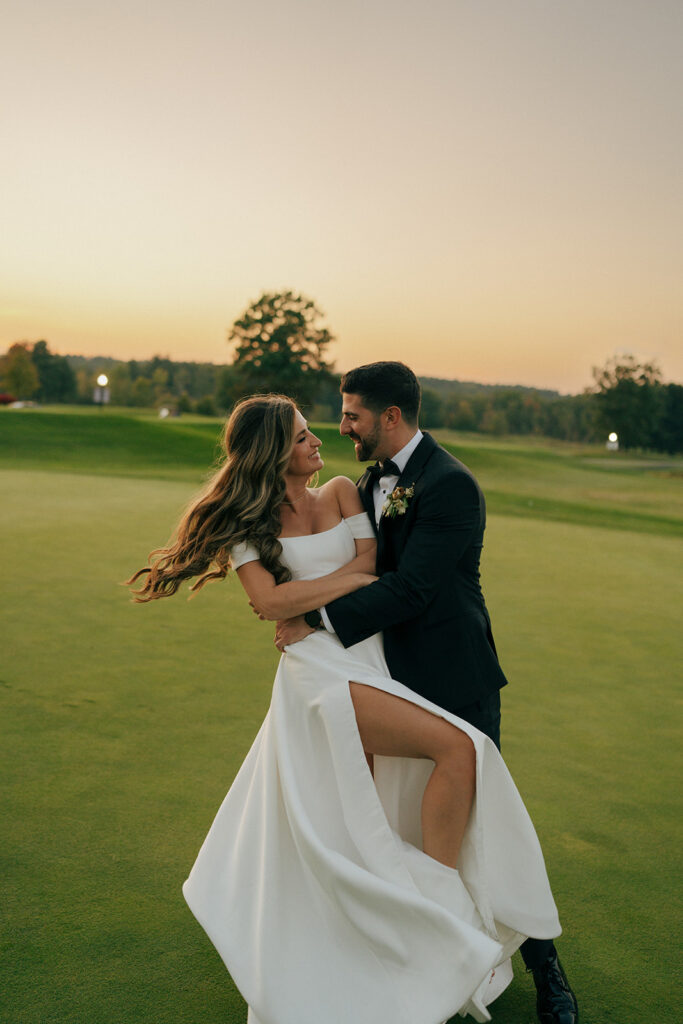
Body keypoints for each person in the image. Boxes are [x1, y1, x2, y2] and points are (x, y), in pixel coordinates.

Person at [127, 392, 561, 1024]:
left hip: (368, 658)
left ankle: (412, 925)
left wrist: (310, 601)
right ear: (276, 451)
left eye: (316, 431)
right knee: (457, 750)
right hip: (317, 674)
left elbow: (367, 566)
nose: (319, 441)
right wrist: (326, 595)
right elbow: (270, 605)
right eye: (303, 436)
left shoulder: (341, 492)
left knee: (375, 805)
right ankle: (439, 914)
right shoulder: (247, 527)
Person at [275, 362, 579, 1024]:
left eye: (352, 414)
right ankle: (416, 953)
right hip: (385, 674)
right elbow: (353, 566)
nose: (341, 424)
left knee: (485, 822)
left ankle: (544, 966)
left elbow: (411, 588)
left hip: (454, 673)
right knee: (393, 821)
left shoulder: (449, 485)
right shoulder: (365, 483)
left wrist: (313, 621)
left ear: (389, 417)